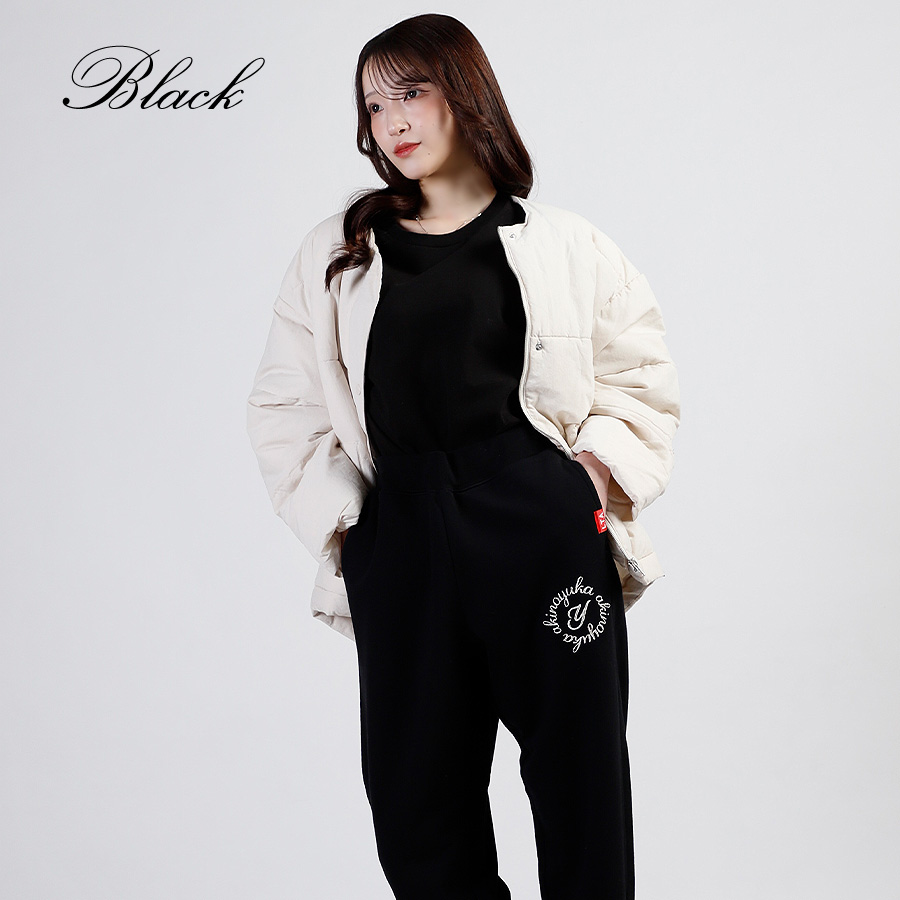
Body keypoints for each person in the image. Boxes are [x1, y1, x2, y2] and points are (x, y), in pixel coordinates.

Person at [246, 13, 680, 900]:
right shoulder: (339, 253)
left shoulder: (566, 244)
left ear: (466, 92)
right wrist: (352, 532)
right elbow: (285, 405)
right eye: (374, 105)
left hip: (540, 531)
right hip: (401, 536)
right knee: (417, 806)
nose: (392, 121)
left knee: (581, 786)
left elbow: (640, 376)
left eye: (411, 92)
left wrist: (587, 482)